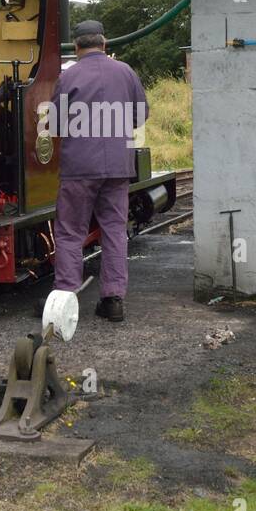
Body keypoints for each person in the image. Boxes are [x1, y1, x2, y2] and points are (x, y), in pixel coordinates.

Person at [48, 20, 148, 322]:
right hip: (118, 165)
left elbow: (54, 124)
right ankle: (113, 300)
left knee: (69, 232)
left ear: (77, 47)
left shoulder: (69, 77)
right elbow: (141, 115)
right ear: (104, 44)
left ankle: (65, 301)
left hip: (79, 168)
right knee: (114, 230)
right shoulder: (126, 72)